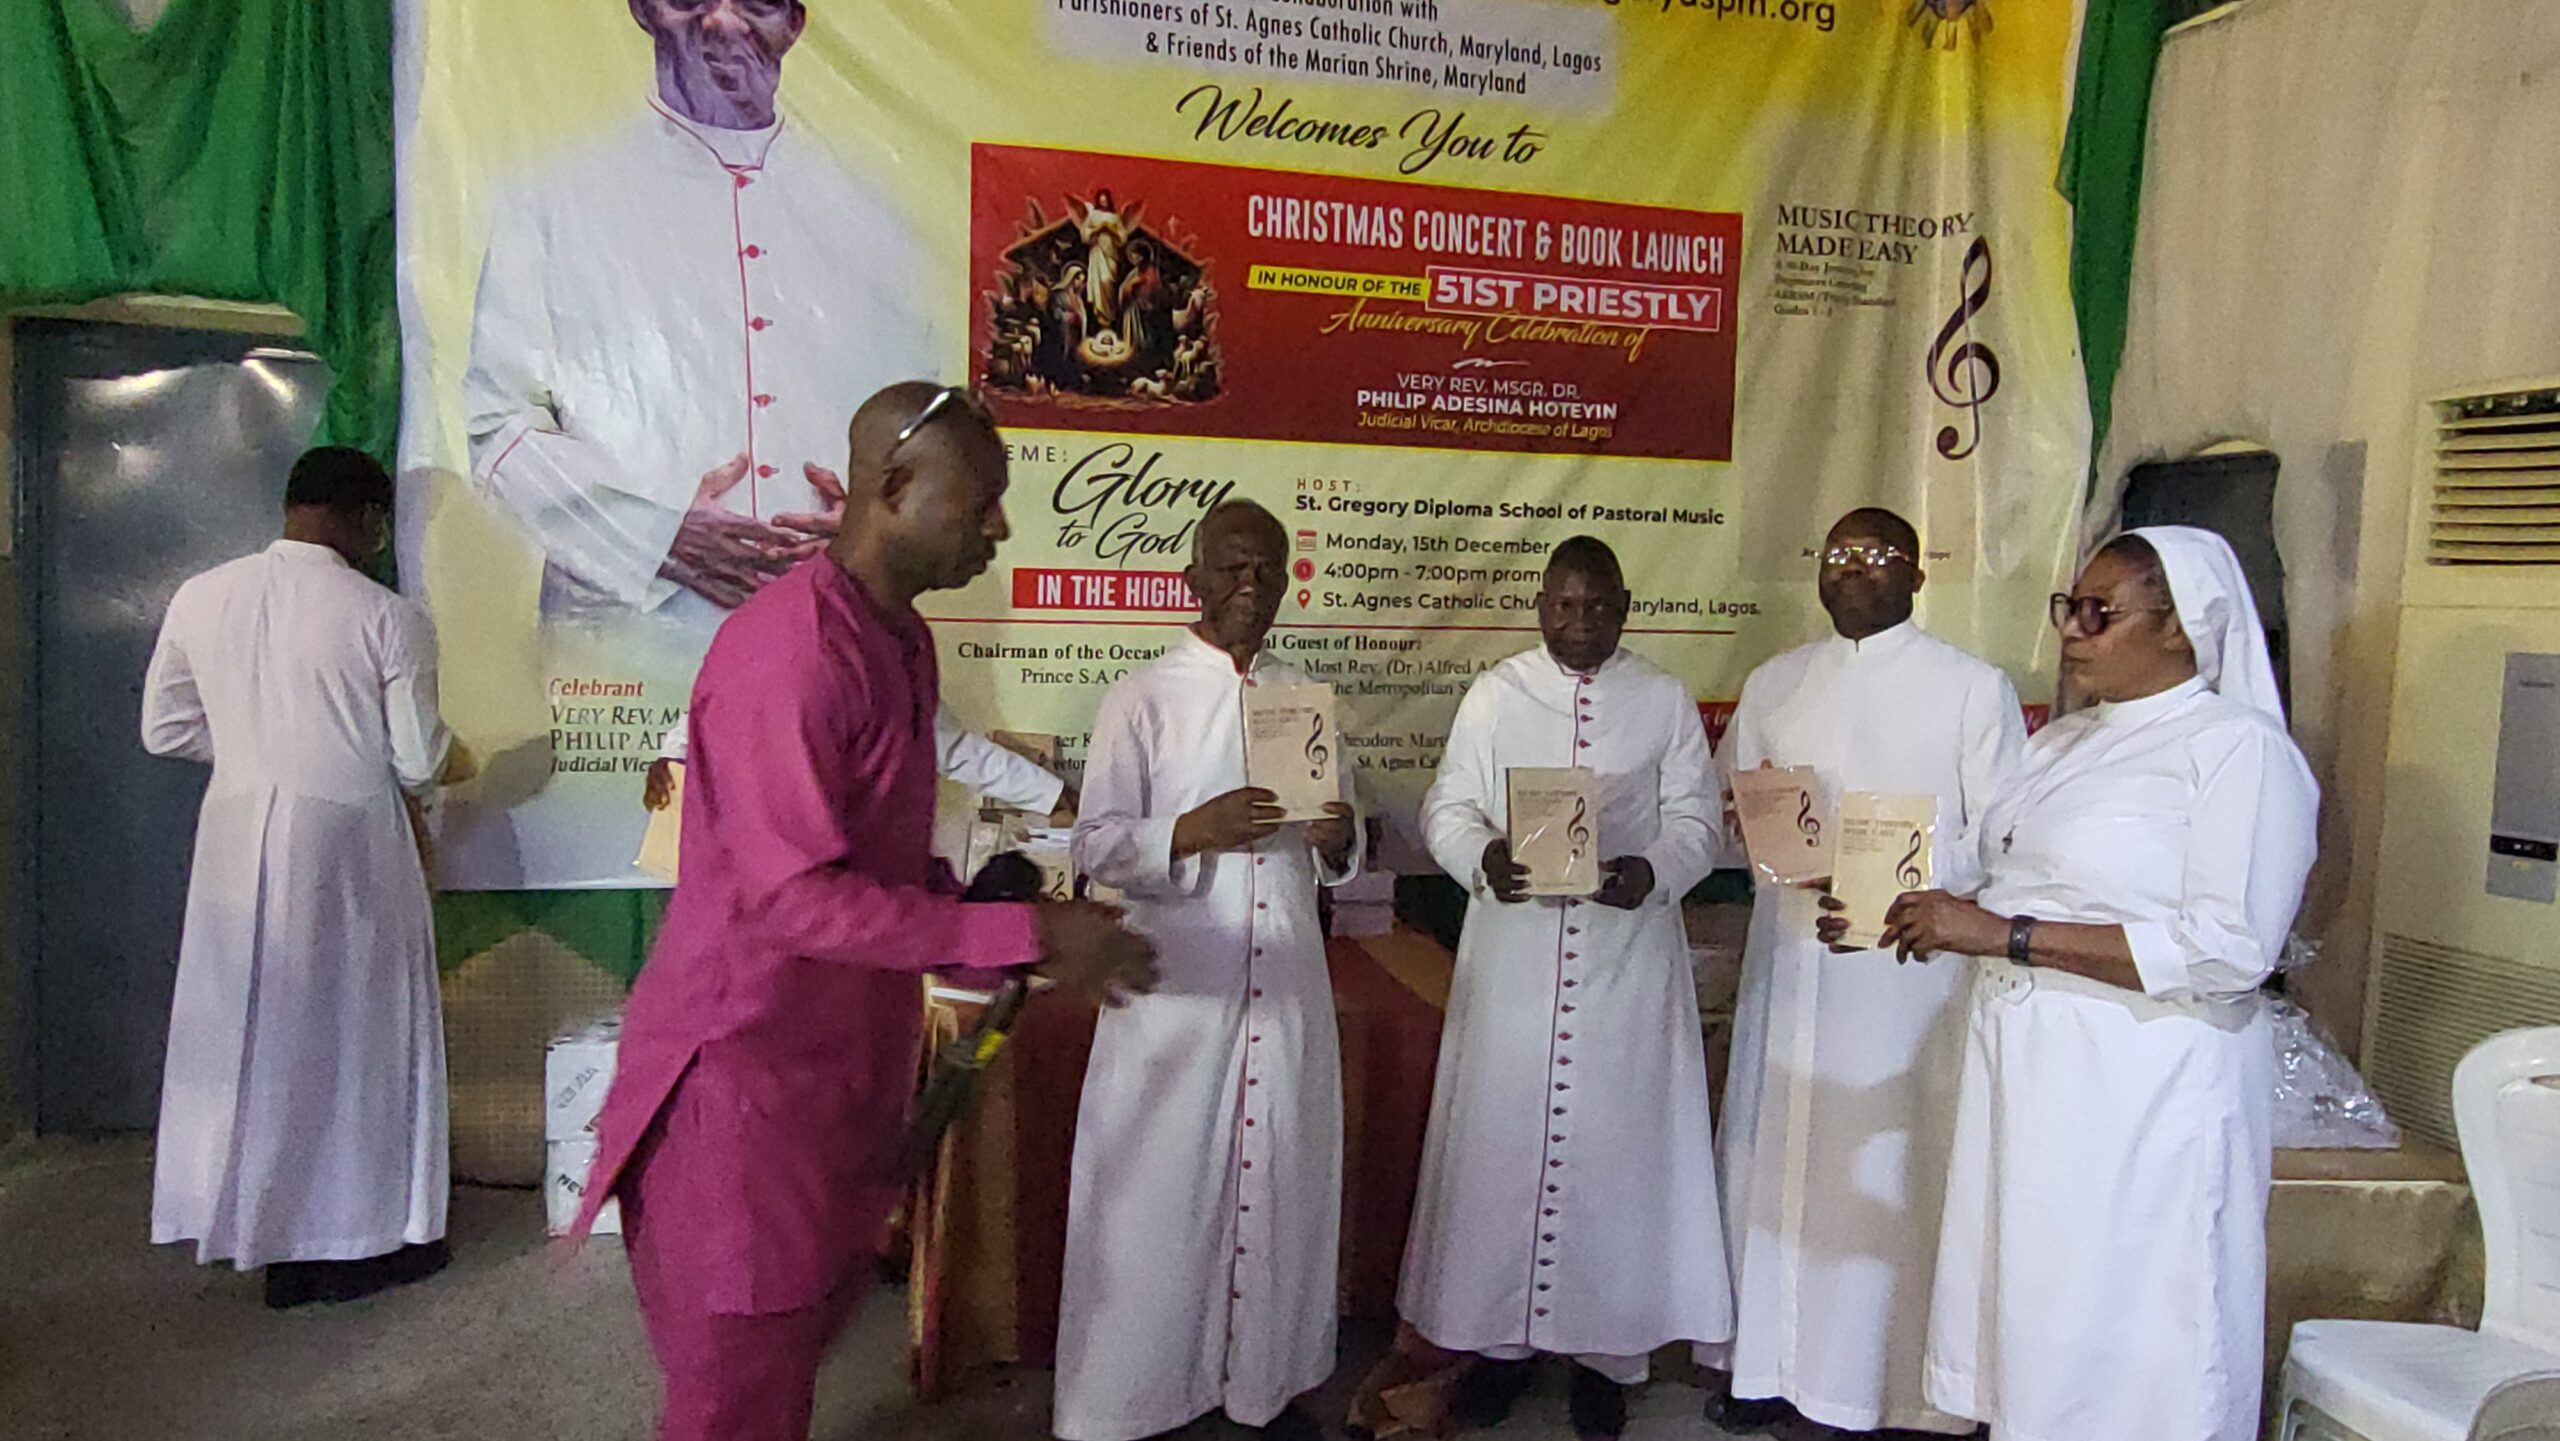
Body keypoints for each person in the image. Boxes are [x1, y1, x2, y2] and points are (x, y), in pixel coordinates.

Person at [568, 383, 1159, 1441]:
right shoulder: (787, 652)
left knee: (798, 1342)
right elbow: (791, 897)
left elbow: (867, 844)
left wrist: (971, 905)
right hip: (742, 1087)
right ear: (891, 489)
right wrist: (1022, 934)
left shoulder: (902, 639)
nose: (999, 528)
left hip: (839, 1068)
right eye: (980, 501)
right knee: (736, 1388)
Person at [1834, 527, 2316, 1441]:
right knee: (2038, 1321)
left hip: (2144, 1088)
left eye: (2102, 613)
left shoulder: (2237, 751)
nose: (2074, 630)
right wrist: (1893, 903)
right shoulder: (2059, 744)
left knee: (2135, 1331)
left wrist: (2005, 937)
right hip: (2032, 1083)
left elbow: (2230, 949)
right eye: (2071, 607)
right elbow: (1993, 868)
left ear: (2181, 627)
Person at [1402, 536, 1731, 1440]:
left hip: (1626, 963)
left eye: (1597, 606)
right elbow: (1447, 805)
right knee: (1503, 1151)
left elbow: (1698, 820)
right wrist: (1482, 857)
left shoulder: (1662, 699)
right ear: (1541, 606)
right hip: (1514, 963)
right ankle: (1498, 1350)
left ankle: (1606, 1361)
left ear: (1624, 608)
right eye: (1564, 605)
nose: (1579, 621)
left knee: (1614, 1160)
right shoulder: (1495, 694)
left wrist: (1652, 871)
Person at [460, 0, 935, 627]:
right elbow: (495, 425)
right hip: (632, 633)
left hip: (833, 621)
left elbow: (927, 423)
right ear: (644, 9)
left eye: (756, 2)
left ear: (794, 24)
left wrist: (872, 525)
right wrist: (657, 534)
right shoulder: (552, 200)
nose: (723, 22)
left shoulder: (871, 214)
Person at [1707, 508, 2024, 1435]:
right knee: (1781, 1161)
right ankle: (1769, 1367)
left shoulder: (1972, 688)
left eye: (1878, 554)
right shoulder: (1776, 682)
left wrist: (1898, 871)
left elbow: (2003, 835)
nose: (1853, 568)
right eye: (1839, 553)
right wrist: (1759, 827)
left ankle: (1891, 1388)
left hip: (1905, 973)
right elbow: (1738, 804)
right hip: (1792, 959)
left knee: (1889, 1166)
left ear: (1918, 575)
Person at [1058, 500, 1361, 1441]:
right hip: (1179, 990)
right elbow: (1095, 844)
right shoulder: (1141, 697)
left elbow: (1339, 849)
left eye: (1268, 569)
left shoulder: (1305, 697)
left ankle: (1263, 1387)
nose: (1251, 586)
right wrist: (1193, 829)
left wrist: (1339, 836)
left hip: (1288, 980)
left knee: (1282, 1185)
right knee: (1161, 1196)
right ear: (1191, 577)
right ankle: (1140, 1402)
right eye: (1231, 567)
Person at [142, 446, 463, 1309]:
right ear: (366, 520)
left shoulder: (201, 595)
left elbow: (164, 728)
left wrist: (258, 756)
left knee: (248, 1035)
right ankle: (359, 1241)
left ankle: (263, 1231)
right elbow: (418, 757)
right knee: (356, 1038)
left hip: (232, 834)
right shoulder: (387, 615)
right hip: (350, 843)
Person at [644, 704, 1076, 827]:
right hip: (755, 852)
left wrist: (1053, 795)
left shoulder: (892, 659)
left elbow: (953, 749)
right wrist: (673, 759)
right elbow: (709, 711)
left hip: (846, 867)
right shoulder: (769, 641)